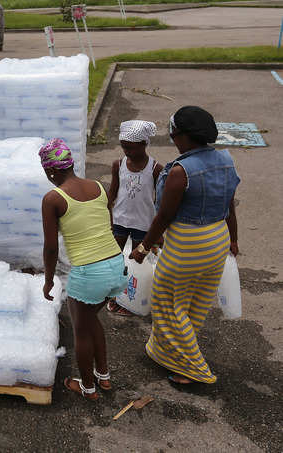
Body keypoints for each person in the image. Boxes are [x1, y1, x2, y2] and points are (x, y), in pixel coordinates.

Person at [130, 106, 239, 385]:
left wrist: (143, 247)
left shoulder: (181, 171)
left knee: (167, 306)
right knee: (194, 305)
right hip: (217, 241)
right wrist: (234, 240)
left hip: (187, 248)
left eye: (174, 134)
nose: (173, 139)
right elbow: (230, 207)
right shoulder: (226, 160)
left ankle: (193, 370)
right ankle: (164, 352)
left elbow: (164, 217)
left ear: (183, 136)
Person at [39, 138, 127, 400]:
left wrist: (48, 280)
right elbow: (107, 227)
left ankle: (87, 387)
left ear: (51, 170)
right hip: (116, 264)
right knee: (91, 320)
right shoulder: (99, 187)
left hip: (90, 273)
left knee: (80, 329)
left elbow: (51, 248)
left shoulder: (53, 198)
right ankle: (104, 377)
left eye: (46, 172)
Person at [106, 120, 163, 316]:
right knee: (114, 259)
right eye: (124, 147)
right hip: (120, 220)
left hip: (143, 224)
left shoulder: (155, 169)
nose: (126, 151)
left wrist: (159, 231)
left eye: (130, 147)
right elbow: (112, 193)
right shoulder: (119, 165)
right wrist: (108, 215)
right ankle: (115, 295)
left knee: (137, 262)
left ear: (144, 144)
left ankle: (132, 298)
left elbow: (161, 201)